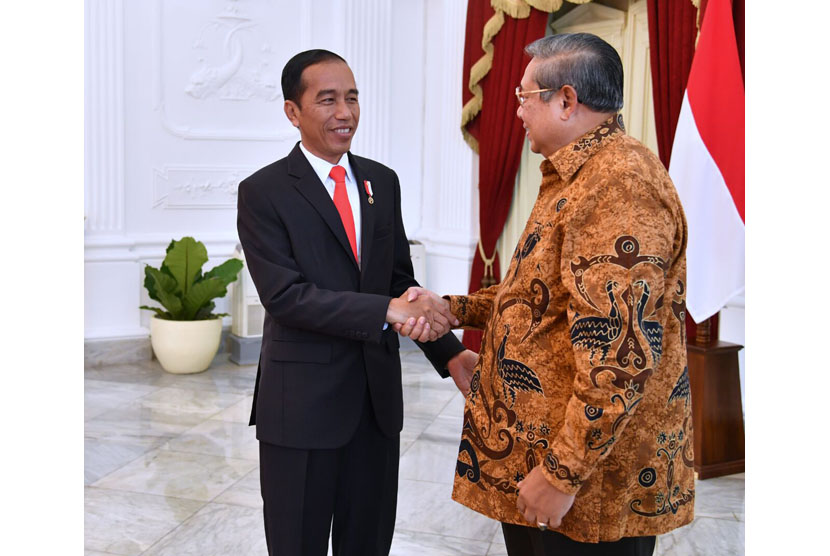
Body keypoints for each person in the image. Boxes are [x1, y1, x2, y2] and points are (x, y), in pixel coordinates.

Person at [400, 33, 693, 556]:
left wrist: (562, 473)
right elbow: (540, 295)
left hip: (588, 488)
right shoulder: (578, 173)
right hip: (546, 460)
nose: (516, 111)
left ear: (565, 100)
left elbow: (621, 353)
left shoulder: (619, 187)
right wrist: (452, 310)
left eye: (522, 97)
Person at [236, 49, 476, 556]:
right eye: (327, 100)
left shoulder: (380, 182)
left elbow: (400, 282)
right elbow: (286, 298)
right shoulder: (263, 192)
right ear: (292, 112)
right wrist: (383, 310)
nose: (345, 112)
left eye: (351, 97)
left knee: (367, 544)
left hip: (375, 405)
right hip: (301, 407)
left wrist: (450, 353)